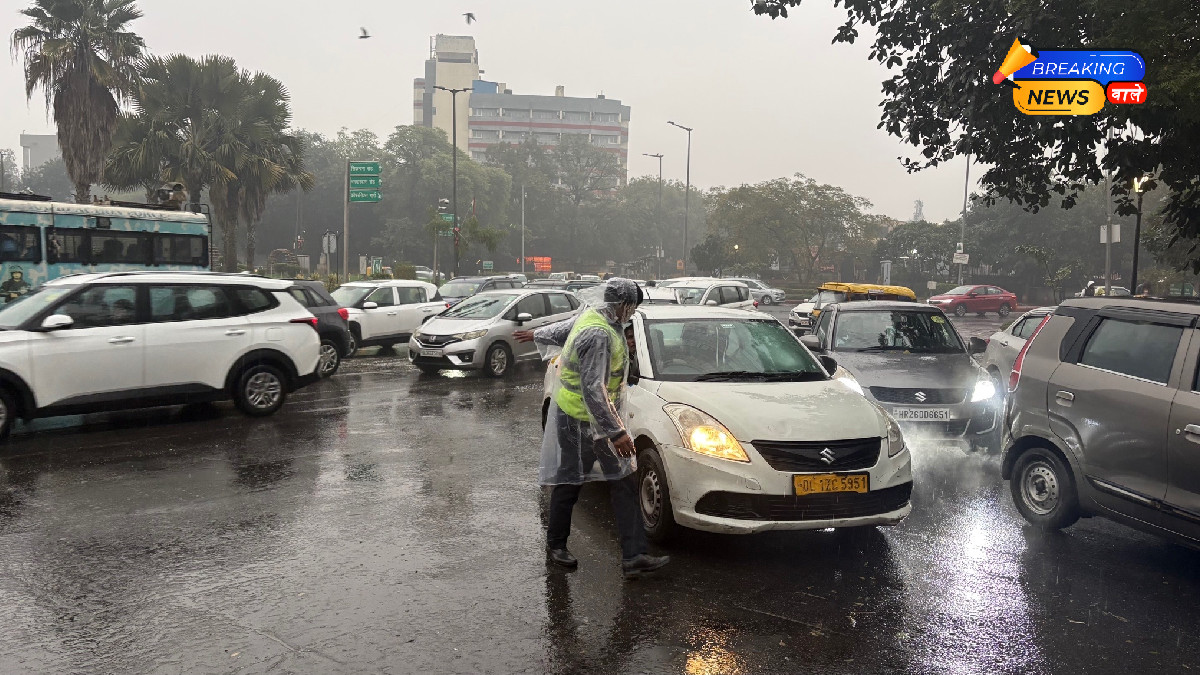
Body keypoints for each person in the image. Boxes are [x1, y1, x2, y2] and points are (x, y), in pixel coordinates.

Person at [516, 278, 669, 580]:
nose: (632, 313)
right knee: (570, 481)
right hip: (577, 421)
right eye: (631, 307)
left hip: (599, 420)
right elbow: (593, 389)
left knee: (624, 480)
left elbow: (562, 329)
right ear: (620, 304)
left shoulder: (598, 317)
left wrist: (536, 333)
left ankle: (634, 556)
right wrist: (618, 433)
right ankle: (556, 544)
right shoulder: (598, 334)